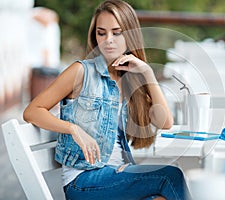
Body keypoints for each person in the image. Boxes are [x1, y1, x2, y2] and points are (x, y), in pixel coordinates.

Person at [23, 0, 191, 199]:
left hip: (116, 176)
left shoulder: (129, 78)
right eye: (101, 33)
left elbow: (165, 123)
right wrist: (73, 129)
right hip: (84, 181)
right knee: (171, 176)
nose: (108, 40)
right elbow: (32, 111)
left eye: (116, 32)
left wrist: (147, 72)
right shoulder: (81, 72)